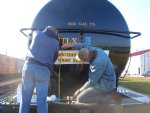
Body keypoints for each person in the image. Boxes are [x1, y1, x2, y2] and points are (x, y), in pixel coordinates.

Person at [19, 26, 60, 113]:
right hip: (43, 71)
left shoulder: (37, 33)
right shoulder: (56, 43)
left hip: (28, 67)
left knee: (25, 99)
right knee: (41, 101)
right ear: (55, 33)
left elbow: (31, 39)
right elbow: (55, 57)